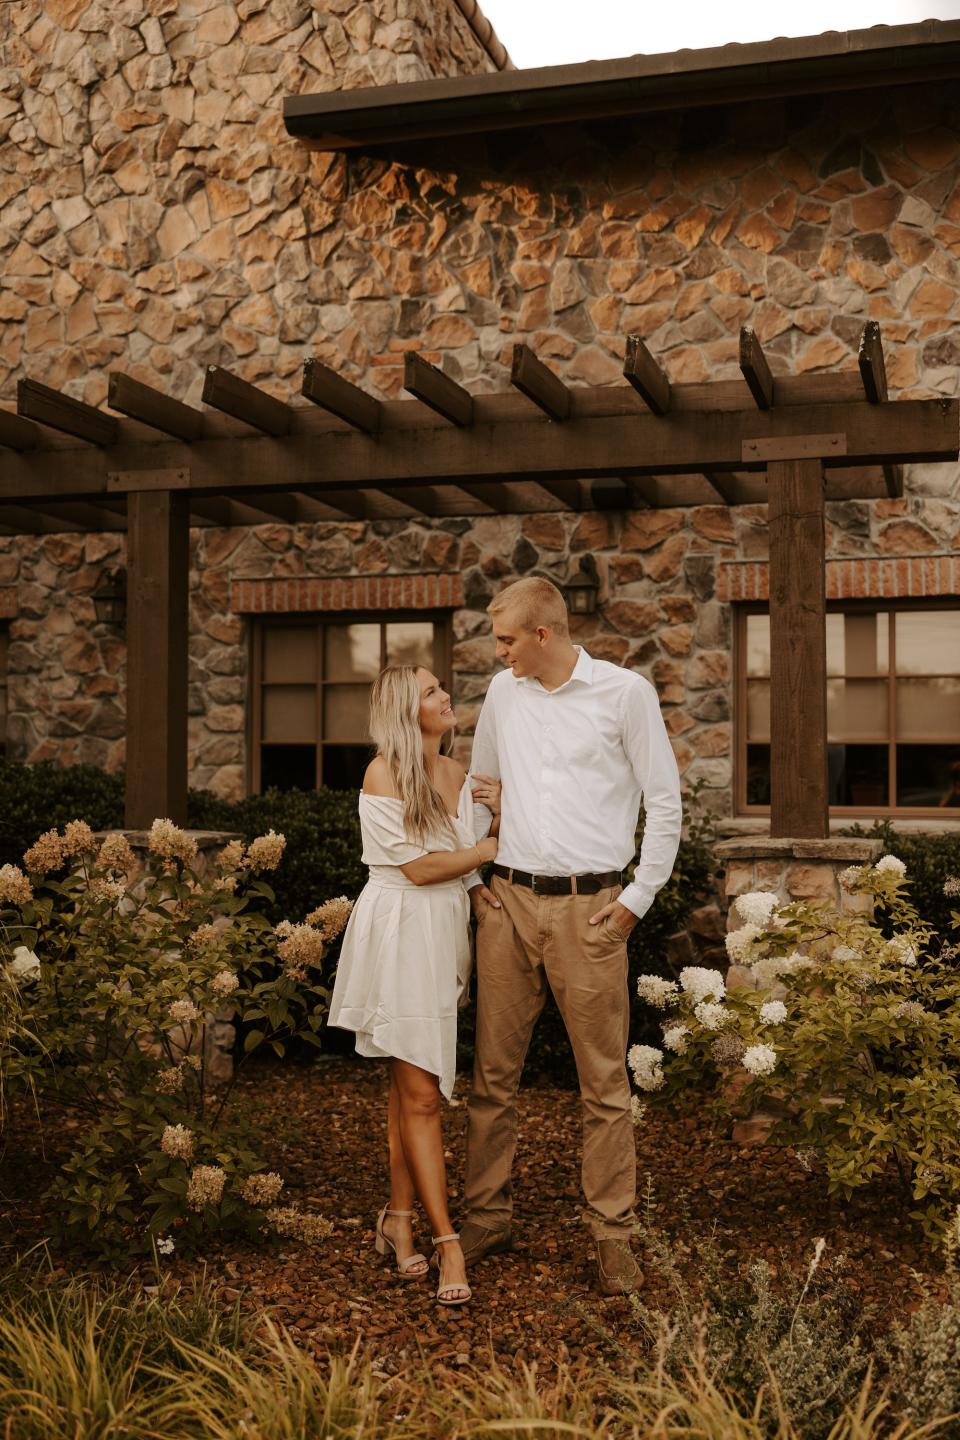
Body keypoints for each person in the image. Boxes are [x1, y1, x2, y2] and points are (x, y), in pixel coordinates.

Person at [463, 576, 682, 1296]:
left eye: (506, 641)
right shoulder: (503, 695)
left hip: (593, 911)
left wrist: (638, 899)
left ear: (544, 635)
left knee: (603, 1084)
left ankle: (612, 1235)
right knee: (493, 1078)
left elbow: (664, 800)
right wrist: (475, 883)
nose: (498, 654)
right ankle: (487, 1218)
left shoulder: (625, 694)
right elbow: (479, 783)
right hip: (510, 906)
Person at [328, 664, 499, 1306]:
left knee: (409, 1089)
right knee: (424, 1095)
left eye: (439, 687)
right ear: (407, 710)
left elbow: (463, 861)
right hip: (399, 933)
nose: (445, 695)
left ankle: (397, 1221)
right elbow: (421, 868)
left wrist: (481, 885)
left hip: (443, 935)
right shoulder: (383, 774)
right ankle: (447, 1239)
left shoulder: (456, 776)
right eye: (430, 691)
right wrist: (484, 853)